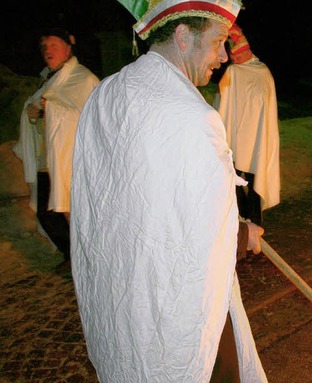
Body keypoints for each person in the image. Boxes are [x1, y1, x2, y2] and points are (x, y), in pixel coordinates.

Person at [70, 0, 268, 381]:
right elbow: (199, 238)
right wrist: (243, 233)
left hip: (122, 296)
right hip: (173, 305)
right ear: (182, 36)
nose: (224, 56)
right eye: (217, 42)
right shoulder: (194, 118)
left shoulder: (106, 93)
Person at [12, 27, 99, 274]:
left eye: (54, 45)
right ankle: (72, 255)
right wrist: (31, 112)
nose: (48, 50)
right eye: (45, 46)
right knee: (46, 212)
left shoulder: (83, 78)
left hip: (68, 157)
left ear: (68, 48)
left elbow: (91, 117)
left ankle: (83, 261)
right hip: (46, 157)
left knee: (71, 211)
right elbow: (39, 108)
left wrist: (49, 109)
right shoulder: (48, 78)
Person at [214, 23, 280, 225]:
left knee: (253, 181)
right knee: (233, 180)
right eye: (233, 59)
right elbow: (224, 101)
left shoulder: (262, 72)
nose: (235, 62)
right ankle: (239, 219)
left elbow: (264, 107)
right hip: (235, 136)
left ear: (247, 53)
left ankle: (255, 222)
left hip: (256, 138)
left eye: (238, 58)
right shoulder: (233, 72)